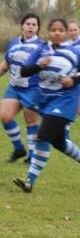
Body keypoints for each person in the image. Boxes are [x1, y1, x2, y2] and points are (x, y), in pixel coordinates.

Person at [13, 18, 80, 193]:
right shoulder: (41, 49)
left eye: (60, 30)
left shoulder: (74, 52)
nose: (57, 33)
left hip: (66, 102)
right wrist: (39, 66)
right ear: (48, 32)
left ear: (65, 32)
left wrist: (73, 80)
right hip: (46, 101)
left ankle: (29, 180)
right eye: (53, 30)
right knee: (59, 143)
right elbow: (24, 71)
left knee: (42, 136)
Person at [0, 13, 44, 163]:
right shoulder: (13, 43)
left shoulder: (42, 45)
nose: (31, 27)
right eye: (28, 24)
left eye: (34, 24)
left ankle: (32, 155)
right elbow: (6, 64)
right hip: (14, 86)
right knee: (4, 116)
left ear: (38, 28)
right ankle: (19, 149)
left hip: (33, 88)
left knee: (30, 120)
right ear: (22, 26)